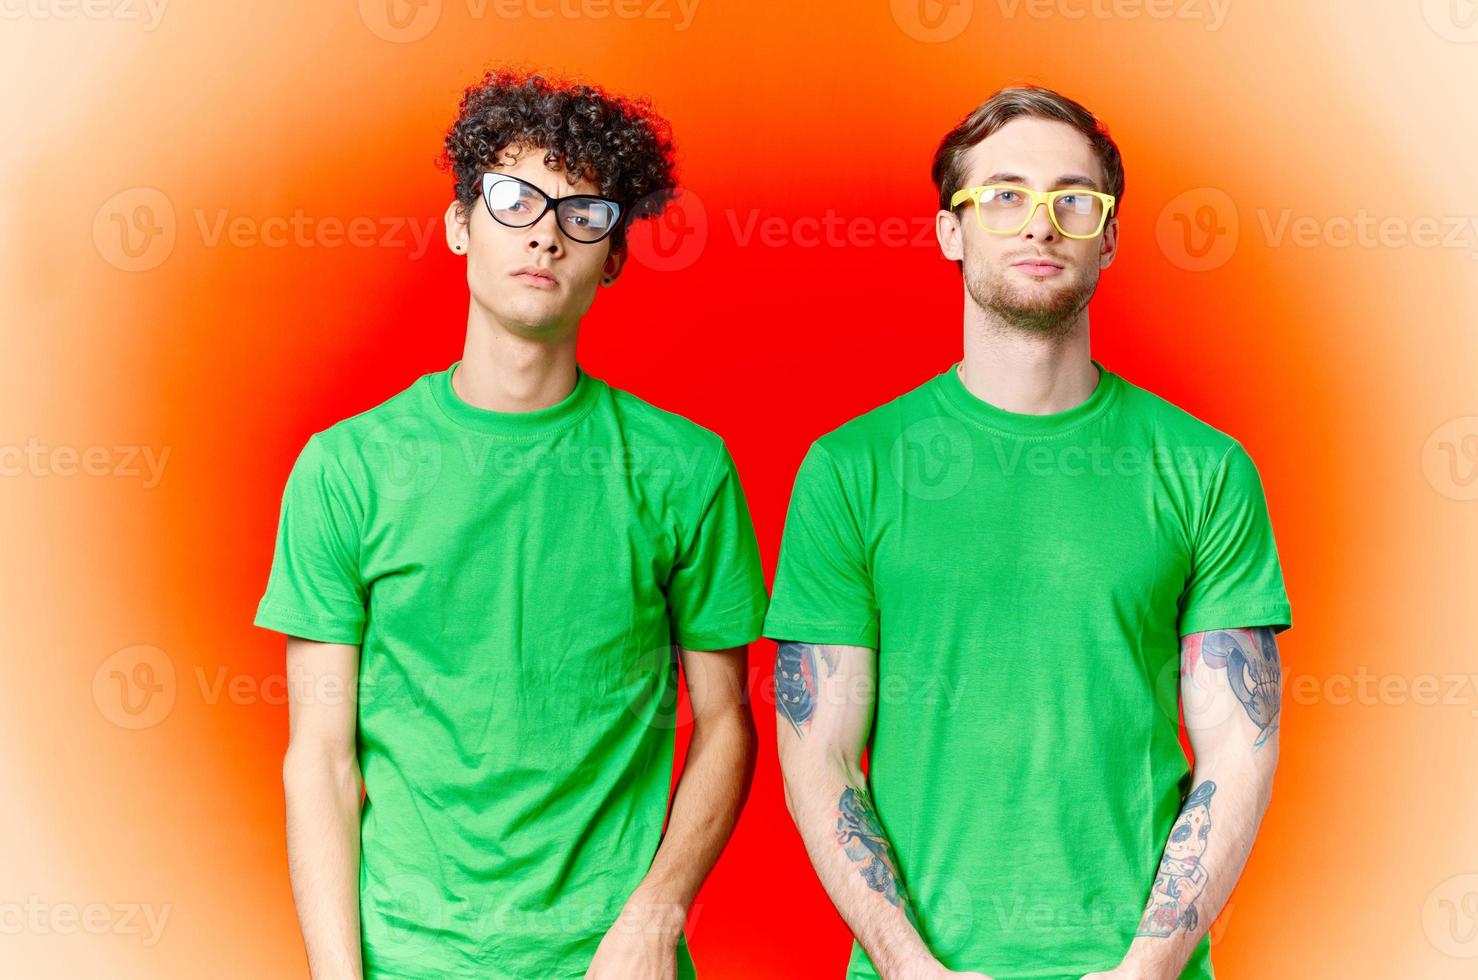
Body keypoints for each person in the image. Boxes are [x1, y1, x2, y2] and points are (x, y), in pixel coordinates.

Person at [764, 84, 1292, 980]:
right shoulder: (851, 468)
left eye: (1071, 199)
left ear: (1109, 235)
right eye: (1003, 194)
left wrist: (1148, 968)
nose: (1039, 224)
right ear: (949, 231)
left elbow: (1237, 750)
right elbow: (818, 756)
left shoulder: (1205, 469)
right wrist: (908, 965)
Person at [255, 68, 768, 980]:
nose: (544, 230)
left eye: (583, 213)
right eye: (514, 198)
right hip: (406, 954)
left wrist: (656, 915)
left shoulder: (685, 468)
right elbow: (321, 760)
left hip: (612, 961)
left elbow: (727, 722)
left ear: (612, 257)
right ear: (460, 226)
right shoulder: (346, 469)